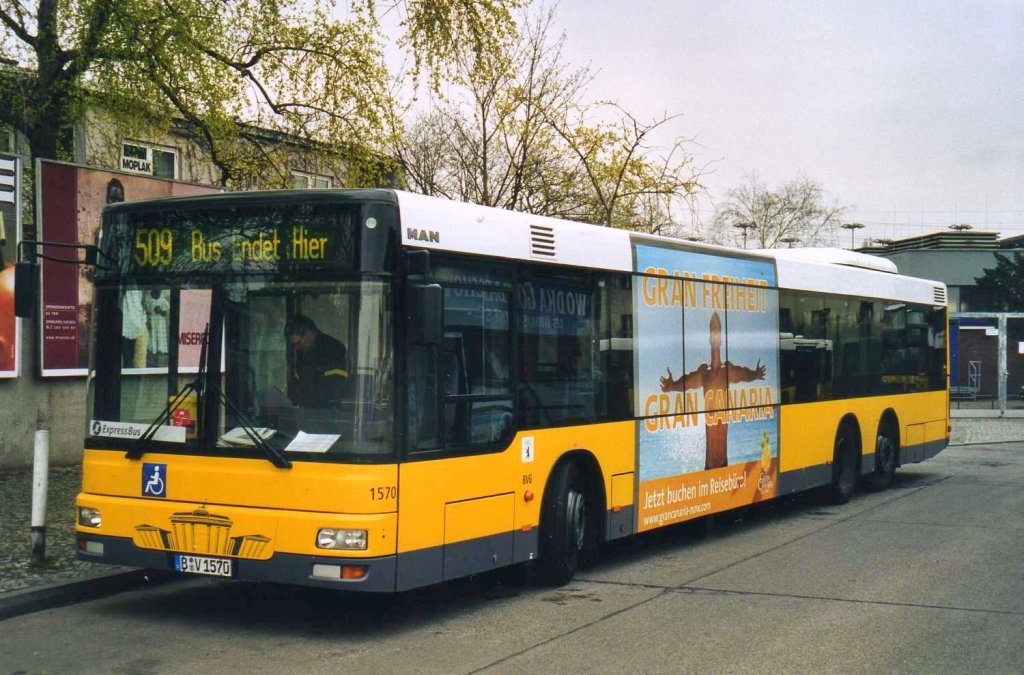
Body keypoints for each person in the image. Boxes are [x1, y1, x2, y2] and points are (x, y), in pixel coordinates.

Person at [659, 311, 766, 470]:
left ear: (721, 337)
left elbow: (745, 374)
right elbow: (684, 383)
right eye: (712, 327)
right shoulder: (704, 373)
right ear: (709, 337)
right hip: (708, 465)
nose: (715, 330)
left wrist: (756, 374)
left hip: (724, 462)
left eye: (717, 327)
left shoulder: (728, 370)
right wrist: (671, 386)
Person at [285, 314, 348, 407]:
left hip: (328, 414)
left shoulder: (334, 349)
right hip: (305, 413)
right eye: (293, 345)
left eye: (298, 342)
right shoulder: (301, 353)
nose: (297, 348)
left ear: (309, 332)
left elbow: (335, 392)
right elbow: (296, 386)